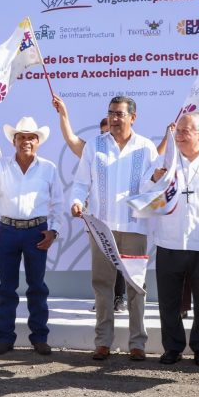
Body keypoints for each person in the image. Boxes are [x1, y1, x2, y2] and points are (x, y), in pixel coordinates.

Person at [70, 96, 158, 361]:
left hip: (134, 227)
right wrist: (76, 200)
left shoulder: (146, 148)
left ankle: (137, 343)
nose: (115, 118)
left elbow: (152, 187)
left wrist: (155, 179)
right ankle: (103, 341)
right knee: (102, 285)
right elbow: (81, 182)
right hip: (101, 227)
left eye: (120, 114)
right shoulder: (94, 145)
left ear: (133, 117)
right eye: (111, 113)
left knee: (136, 287)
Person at [143, 113, 199, 366]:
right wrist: (154, 179)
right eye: (178, 131)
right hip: (168, 241)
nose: (179, 135)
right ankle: (172, 347)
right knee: (168, 301)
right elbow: (145, 195)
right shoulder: (165, 161)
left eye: (186, 131)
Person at [0, 117, 65, 356]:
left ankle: (39, 338)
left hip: (37, 232)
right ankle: (4, 338)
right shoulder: (0, 165)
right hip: (8, 231)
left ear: (38, 141)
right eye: (21, 137)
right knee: (6, 288)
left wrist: (53, 231)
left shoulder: (49, 168)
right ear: (14, 141)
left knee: (37, 287)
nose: (26, 141)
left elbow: (58, 204)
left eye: (31, 137)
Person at [52, 96, 127, 313]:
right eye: (104, 130)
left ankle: (120, 297)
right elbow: (71, 139)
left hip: (124, 217)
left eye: (111, 128)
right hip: (97, 217)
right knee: (103, 261)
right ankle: (104, 299)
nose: (108, 134)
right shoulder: (92, 149)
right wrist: (63, 114)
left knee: (122, 259)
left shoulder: (134, 149)